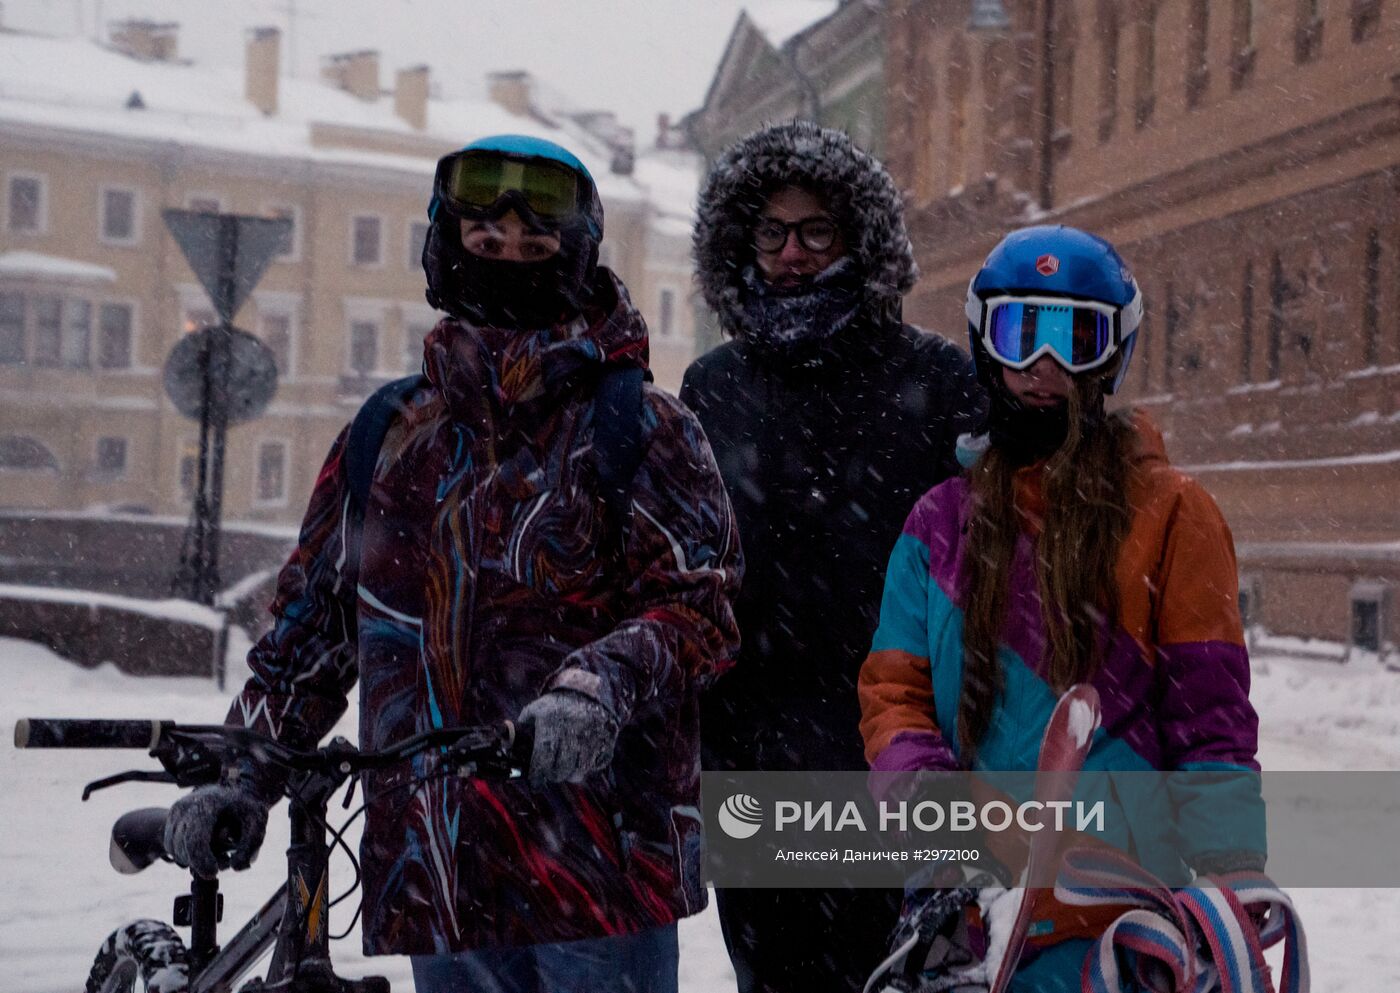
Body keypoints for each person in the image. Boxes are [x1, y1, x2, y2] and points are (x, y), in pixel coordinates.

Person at [161, 134, 742, 993]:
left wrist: (599, 685)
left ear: (577, 258)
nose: (508, 260)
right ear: (446, 248)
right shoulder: (390, 434)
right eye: (486, 243)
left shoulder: (642, 426)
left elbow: (701, 610)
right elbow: (311, 630)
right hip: (436, 869)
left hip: (597, 869)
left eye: (535, 247)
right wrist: (245, 773)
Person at [858, 225, 1266, 991]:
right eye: (1021, 334)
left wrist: (1231, 870)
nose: (1045, 366)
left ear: (1112, 355)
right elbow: (895, 698)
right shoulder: (938, 524)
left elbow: (1211, 720)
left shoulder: (1175, 515)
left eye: (1076, 338)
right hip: (974, 914)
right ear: (987, 345)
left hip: (1121, 917)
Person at [681, 120, 985, 993]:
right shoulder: (713, 386)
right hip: (754, 759)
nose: (793, 253)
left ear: (861, 239)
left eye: (817, 231)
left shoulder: (936, 379)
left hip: (904, 755)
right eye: (771, 232)